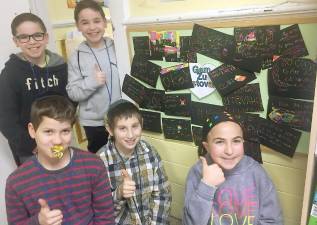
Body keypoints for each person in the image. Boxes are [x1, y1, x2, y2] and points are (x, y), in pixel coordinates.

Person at [5, 95, 115, 224]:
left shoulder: (94, 166)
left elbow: (106, 218)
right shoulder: (16, 183)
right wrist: (38, 221)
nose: (57, 141)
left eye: (65, 131)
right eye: (49, 131)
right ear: (32, 131)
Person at [183, 112, 283, 225]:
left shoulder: (256, 172)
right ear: (207, 147)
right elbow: (190, 222)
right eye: (220, 142)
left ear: (243, 142)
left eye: (236, 141)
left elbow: (272, 220)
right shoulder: (196, 173)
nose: (229, 151)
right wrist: (206, 186)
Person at [0, 13, 69, 166]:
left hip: (58, 142)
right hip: (29, 150)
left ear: (46, 37)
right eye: (24, 37)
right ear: (16, 41)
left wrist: (63, 134)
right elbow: (6, 119)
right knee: (38, 187)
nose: (32, 42)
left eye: (37, 35)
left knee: (61, 178)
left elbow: (70, 102)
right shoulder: (10, 74)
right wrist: (33, 146)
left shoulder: (61, 67)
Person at [97, 99, 171, 224]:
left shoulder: (151, 152)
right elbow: (100, 210)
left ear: (141, 123)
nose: (130, 135)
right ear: (110, 130)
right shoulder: (100, 162)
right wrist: (119, 193)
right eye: (122, 128)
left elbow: (162, 195)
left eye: (135, 126)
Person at [67, 0, 121, 153]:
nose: (92, 27)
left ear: (104, 22)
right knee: (99, 160)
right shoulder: (75, 57)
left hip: (121, 118)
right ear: (78, 26)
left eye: (97, 21)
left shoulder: (117, 46)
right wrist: (92, 82)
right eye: (85, 22)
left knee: (124, 156)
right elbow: (73, 92)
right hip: (94, 124)